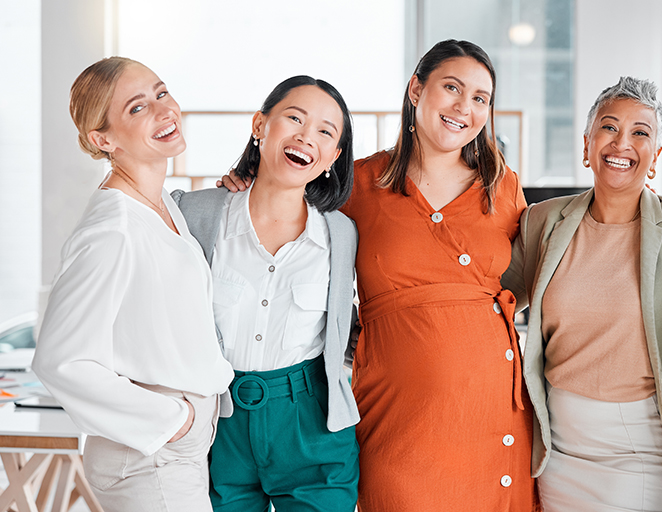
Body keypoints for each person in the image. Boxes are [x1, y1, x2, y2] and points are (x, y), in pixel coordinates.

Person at [221, 39, 539, 511]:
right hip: (396, 413)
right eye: (451, 87)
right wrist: (247, 180)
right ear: (416, 89)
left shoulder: (503, 185)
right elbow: (291, 242)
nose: (463, 108)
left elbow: (524, 279)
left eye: (480, 98)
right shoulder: (359, 185)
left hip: (492, 411)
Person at [502, 77, 662, 511]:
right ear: (586, 144)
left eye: (640, 133)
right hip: (560, 448)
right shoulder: (541, 221)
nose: (622, 143)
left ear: (654, 157)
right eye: (609, 127)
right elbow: (490, 305)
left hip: (645, 450)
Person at [33, 57, 234, 511]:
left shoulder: (160, 201)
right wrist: (173, 420)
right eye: (137, 108)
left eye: (162, 93)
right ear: (102, 139)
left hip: (175, 448)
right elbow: (61, 360)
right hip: (152, 454)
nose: (164, 112)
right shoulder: (112, 229)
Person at [172, 76, 360, 511]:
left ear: (333, 156)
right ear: (260, 125)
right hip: (218, 421)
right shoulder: (193, 213)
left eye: (325, 132)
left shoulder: (343, 232)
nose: (305, 136)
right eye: (294, 118)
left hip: (311, 423)